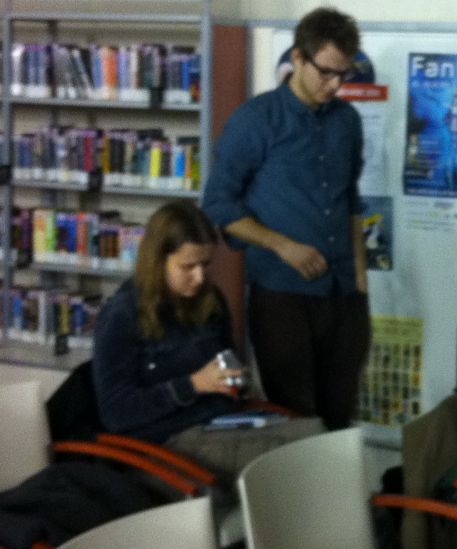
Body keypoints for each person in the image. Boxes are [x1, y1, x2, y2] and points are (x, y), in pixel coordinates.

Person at [202, 7, 371, 429]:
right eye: (326, 72)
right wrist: (282, 246)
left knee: (340, 414)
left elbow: (350, 199)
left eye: (343, 74)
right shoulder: (255, 119)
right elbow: (218, 203)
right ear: (297, 57)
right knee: (296, 418)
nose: (335, 85)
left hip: (343, 293)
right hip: (281, 294)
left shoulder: (347, 121)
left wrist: (360, 280)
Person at [91, 201, 324, 481]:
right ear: (158, 261)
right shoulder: (123, 315)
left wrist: (234, 380)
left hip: (220, 422)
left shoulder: (209, 301)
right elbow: (116, 414)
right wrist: (194, 384)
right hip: (166, 443)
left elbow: (226, 365)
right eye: (188, 266)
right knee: (310, 454)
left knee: (318, 434)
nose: (200, 277)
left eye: (205, 264)